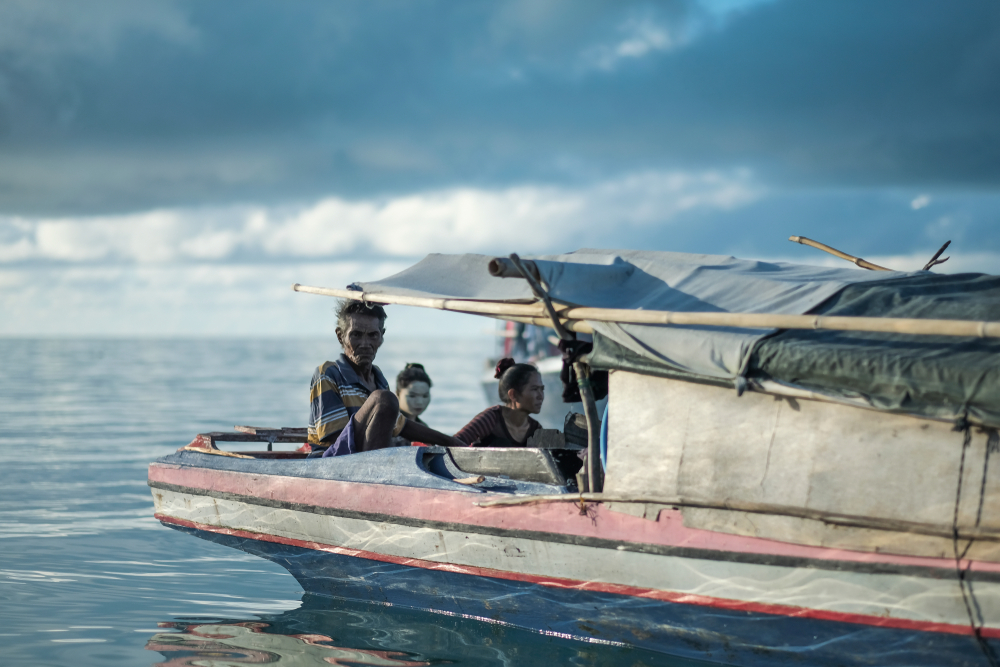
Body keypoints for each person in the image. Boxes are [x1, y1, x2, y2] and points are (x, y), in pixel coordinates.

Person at [307, 300, 461, 457]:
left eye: (373, 335)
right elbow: (337, 440)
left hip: (365, 460)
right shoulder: (328, 374)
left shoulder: (378, 379)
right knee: (383, 399)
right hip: (331, 463)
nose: (365, 344)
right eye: (356, 335)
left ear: (381, 337)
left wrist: (450, 441)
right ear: (340, 336)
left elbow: (400, 425)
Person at [454, 358, 543, 447]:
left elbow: (551, 458)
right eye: (534, 389)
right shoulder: (492, 419)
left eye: (542, 389)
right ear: (513, 394)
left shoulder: (536, 430)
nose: (541, 396)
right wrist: (439, 437)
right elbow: (455, 443)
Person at [391, 363, 433, 447]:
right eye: (412, 396)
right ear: (397, 394)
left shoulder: (423, 427)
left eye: (425, 396)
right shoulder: (389, 424)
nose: (420, 402)